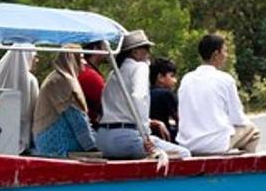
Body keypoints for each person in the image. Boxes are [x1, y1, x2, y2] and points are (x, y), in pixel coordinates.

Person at [97, 30, 191, 160]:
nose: (148, 53)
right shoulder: (140, 67)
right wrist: (146, 135)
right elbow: (139, 97)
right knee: (184, 154)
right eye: (146, 49)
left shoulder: (114, 73)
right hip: (126, 138)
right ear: (135, 52)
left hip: (103, 139)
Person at [176, 33, 260, 155]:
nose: (226, 55)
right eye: (224, 51)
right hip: (214, 144)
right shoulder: (225, 79)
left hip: (187, 144)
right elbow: (237, 118)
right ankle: (246, 167)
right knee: (253, 131)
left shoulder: (186, 79)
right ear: (216, 55)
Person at [32, 46, 97, 158]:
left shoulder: (60, 77)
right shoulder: (61, 81)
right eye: (80, 58)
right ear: (72, 60)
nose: (84, 63)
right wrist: (92, 148)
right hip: (56, 145)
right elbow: (77, 120)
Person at [0, 45, 40, 153]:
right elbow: (36, 109)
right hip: (21, 137)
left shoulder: (2, 75)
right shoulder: (31, 81)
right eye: (35, 56)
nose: (37, 60)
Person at [77, 41, 109, 125]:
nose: (109, 51)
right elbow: (106, 103)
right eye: (106, 47)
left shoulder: (84, 71)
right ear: (95, 49)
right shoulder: (90, 75)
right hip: (89, 126)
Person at [149, 58, 179, 142]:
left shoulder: (146, 92)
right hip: (163, 137)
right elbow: (180, 119)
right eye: (172, 76)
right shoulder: (166, 94)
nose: (175, 80)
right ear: (160, 77)